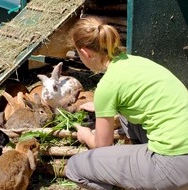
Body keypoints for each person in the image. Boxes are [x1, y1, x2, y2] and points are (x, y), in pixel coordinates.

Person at [65, 16, 188, 190]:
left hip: (172, 163)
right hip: (183, 149)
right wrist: (104, 108)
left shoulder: (107, 86)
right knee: (126, 117)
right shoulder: (134, 62)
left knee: (75, 167)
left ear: (85, 53)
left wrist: (85, 134)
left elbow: (101, 146)